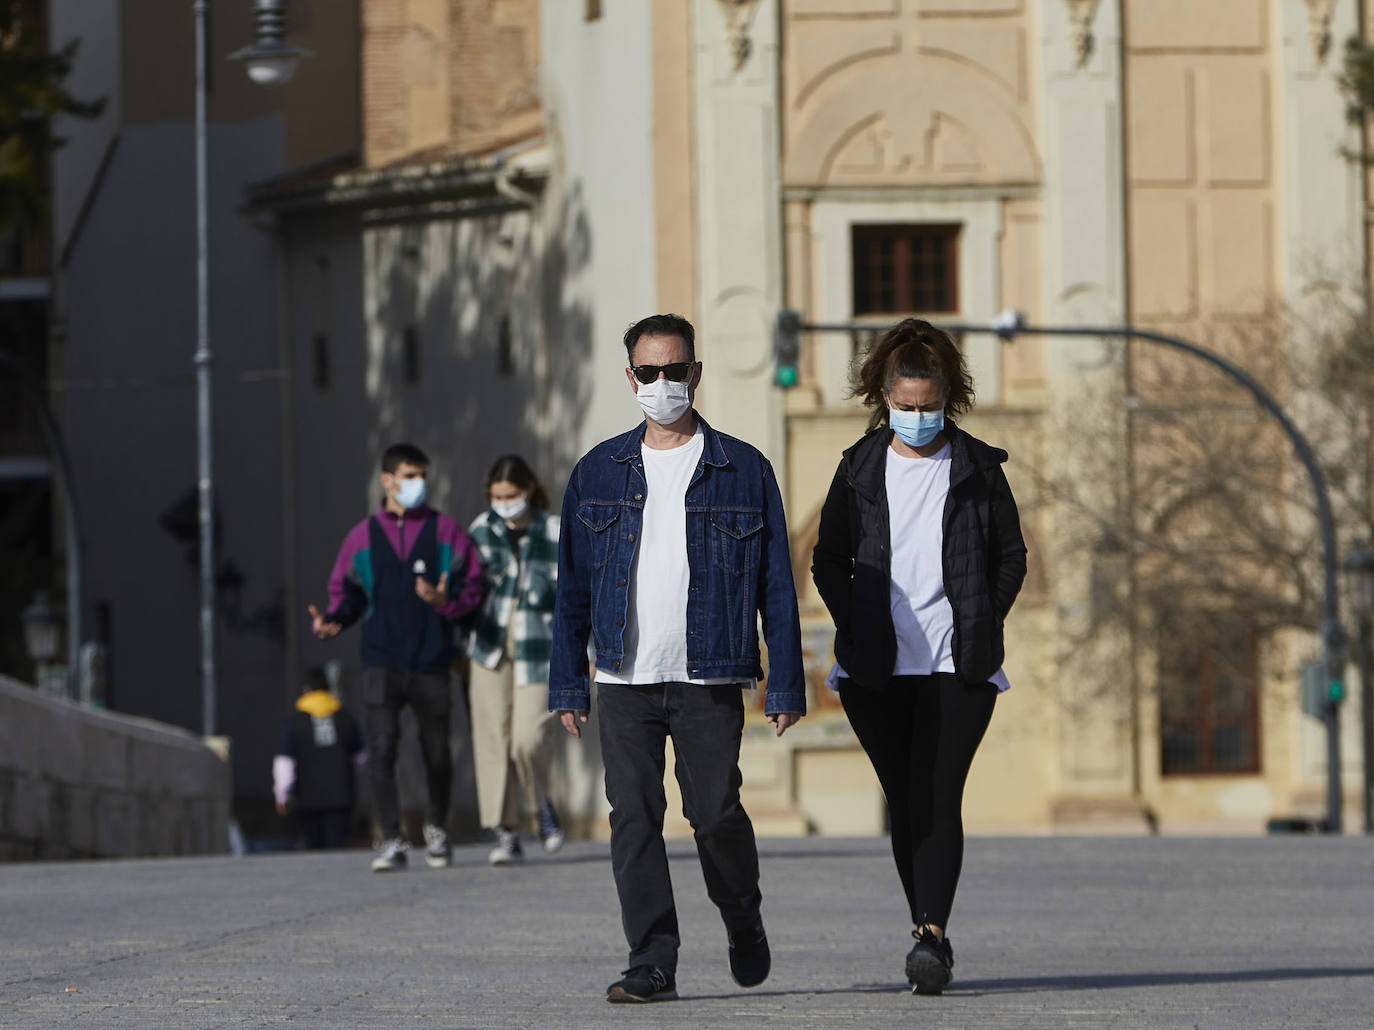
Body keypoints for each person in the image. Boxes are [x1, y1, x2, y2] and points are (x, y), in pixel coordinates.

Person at [549, 313, 806, 1004]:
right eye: (649, 372)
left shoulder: (743, 467)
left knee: (716, 813)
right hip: (625, 677)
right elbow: (571, 585)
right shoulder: (598, 470)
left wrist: (784, 682)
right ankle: (651, 959)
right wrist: (568, 681)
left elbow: (777, 583)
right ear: (630, 378)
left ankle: (741, 912)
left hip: (710, 674)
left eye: (675, 371)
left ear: (696, 374)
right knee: (633, 814)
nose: (663, 384)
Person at [810, 318, 1027, 995]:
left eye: (928, 406)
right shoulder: (857, 468)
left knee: (937, 793)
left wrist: (983, 617)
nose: (916, 418)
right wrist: (856, 622)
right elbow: (826, 560)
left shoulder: (978, 468)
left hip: (957, 665)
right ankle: (925, 926)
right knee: (903, 799)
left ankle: (930, 937)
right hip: (875, 667)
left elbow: (1011, 556)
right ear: (882, 396)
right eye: (904, 407)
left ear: (949, 396)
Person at [308, 442, 483, 872]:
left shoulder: (446, 532)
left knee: (438, 752)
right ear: (386, 480)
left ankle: (436, 827)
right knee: (382, 749)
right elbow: (345, 594)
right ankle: (389, 837)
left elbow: (474, 586)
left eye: (421, 475)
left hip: (431, 660)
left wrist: (448, 601)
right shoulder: (362, 538)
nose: (416, 484)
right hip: (382, 661)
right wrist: (334, 620)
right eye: (408, 476)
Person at [466, 454, 565, 865]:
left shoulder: (556, 531)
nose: (503, 502)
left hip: (539, 649)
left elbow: (576, 599)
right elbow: (466, 590)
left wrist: (588, 652)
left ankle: (541, 804)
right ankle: (506, 831)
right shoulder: (480, 530)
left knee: (527, 738)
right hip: (489, 647)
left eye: (510, 495)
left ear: (528, 489)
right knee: (493, 740)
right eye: (496, 496)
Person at [272, 667, 366, 849]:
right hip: (341, 795)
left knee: (313, 848)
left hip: (307, 797)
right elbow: (360, 757)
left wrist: (282, 794)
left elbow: (285, 762)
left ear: (306, 690)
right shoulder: (345, 718)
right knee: (337, 845)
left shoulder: (296, 722)